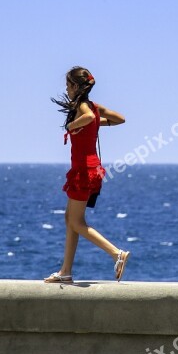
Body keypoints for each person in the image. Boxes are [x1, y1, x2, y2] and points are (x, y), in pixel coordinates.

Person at [44, 66, 131, 283]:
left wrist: (74, 124)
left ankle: (116, 254)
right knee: (71, 219)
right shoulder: (92, 107)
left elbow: (89, 116)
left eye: (67, 85)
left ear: (75, 86)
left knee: (76, 222)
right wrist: (97, 123)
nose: (66, 89)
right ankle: (65, 272)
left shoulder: (84, 108)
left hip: (83, 171)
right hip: (90, 170)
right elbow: (120, 119)